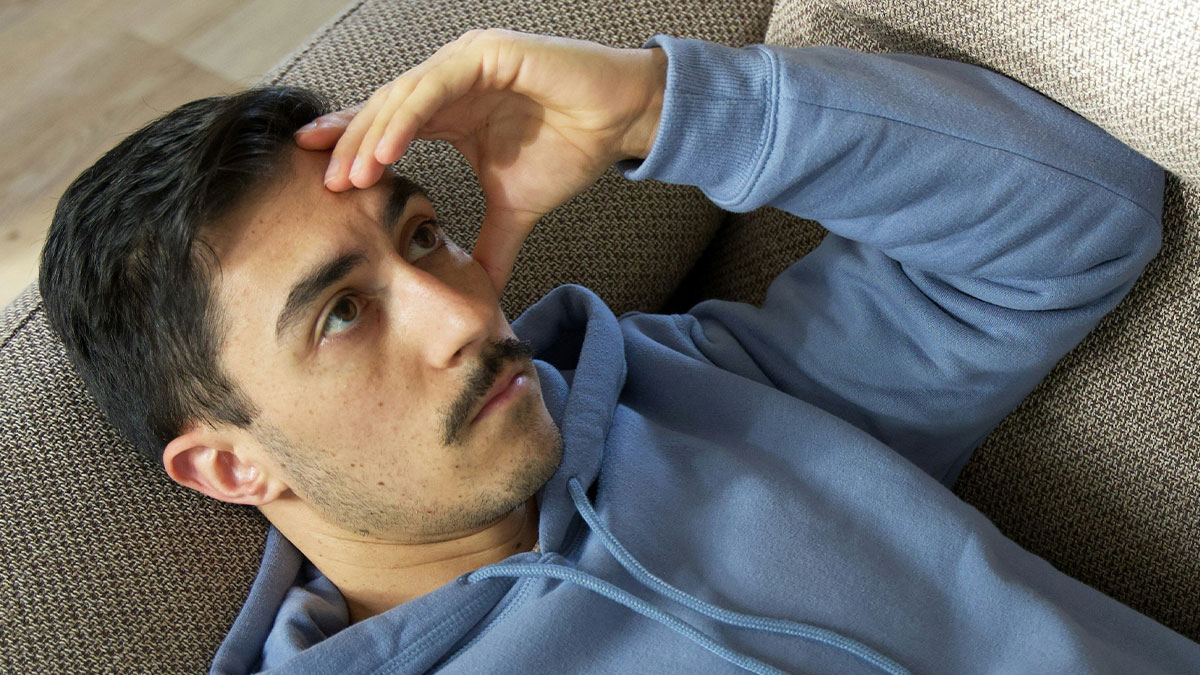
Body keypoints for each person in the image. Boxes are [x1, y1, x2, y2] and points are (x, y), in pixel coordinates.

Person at [39, 28, 1200, 674]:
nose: (463, 313)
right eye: (341, 313)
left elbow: (1087, 218)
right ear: (232, 465)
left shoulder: (697, 388)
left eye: (423, 237)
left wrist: (659, 109)